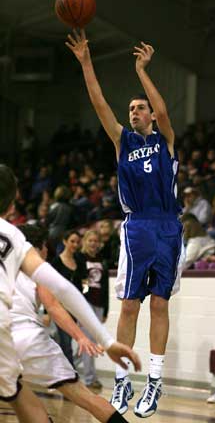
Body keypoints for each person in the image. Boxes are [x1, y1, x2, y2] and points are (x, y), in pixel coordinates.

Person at [66, 29, 184, 418]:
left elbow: (165, 112)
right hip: (137, 228)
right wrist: (86, 63)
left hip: (168, 226)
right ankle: (121, 381)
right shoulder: (123, 142)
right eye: (131, 109)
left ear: (150, 113)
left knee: (161, 304)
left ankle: (154, 381)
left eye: (139, 108)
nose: (134, 113)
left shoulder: (165, 138)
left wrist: (142, 71)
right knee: (130, 306)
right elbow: (100, 104)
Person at [0, 164, 141, 423]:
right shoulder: (15, 241)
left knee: (18, 394)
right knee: (81, 396)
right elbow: (59, 296)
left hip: (8, 339)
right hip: (23, 336)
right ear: (10, 206)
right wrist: (104, 340)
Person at [10, 224, 127, 423]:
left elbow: (81, 287)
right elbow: (54, 306)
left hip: (4, 340)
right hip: (31, 335)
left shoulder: (5, 267)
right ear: (39, 247)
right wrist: (80, 336)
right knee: (85, 397)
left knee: (18, 395)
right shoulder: (42, 267)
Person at [51, 229, 87, 366]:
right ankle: (70, 374)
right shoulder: (56, 262)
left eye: (77, 242)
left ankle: (64, 370)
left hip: (75, 308)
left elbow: (85, 282)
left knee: (74, 341)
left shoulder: (80, 260)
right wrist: (49, 312)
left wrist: (84, 297)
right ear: (65, 242)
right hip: (60, 307)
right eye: (72, 241)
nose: (75, 244)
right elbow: (50, 286)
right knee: (66, 343)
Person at [80, 229, 110, 389]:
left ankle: (71, 370)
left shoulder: (102, 261)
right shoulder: (80, 259)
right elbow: (81, 282)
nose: (93, 244)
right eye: (90, 240)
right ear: (85, 241)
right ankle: (90, 378)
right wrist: (82, 301)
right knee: (88, 342)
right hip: (85, 304)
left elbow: (106, 287)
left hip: (99, 305)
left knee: (88, 342)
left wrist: (105, 310)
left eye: (95, 241)